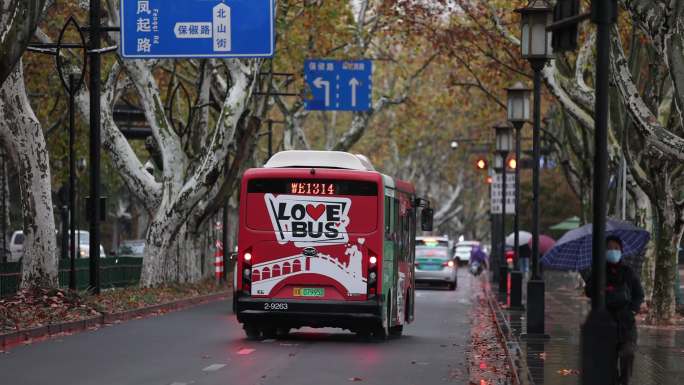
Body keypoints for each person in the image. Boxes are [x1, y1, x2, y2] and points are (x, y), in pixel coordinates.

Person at [585, 235, 644, 385]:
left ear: (621, 251)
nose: (613, 251)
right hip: (605, 324)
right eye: (609, 248)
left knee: (627, 355)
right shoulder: (598, 271)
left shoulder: (628, 272)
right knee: (608, 363)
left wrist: (632, 310)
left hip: (626, 324)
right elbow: (589, 292)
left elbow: (639, 294)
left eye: (616, 248)